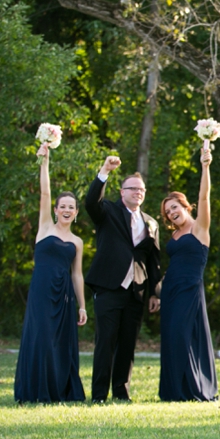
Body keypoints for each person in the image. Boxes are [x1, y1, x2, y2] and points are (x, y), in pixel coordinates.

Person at [85, 155, 162, 402]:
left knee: (127, 344)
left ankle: (121, 392)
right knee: (105, 342)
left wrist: (154, 292)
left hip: (136, 291)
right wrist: (104, 172)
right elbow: (90, 202)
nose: (138, 193)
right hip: (109, 286)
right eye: (133, 189)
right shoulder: (108, 211)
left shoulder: (151, 222)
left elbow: (154, 260)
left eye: (141, 190)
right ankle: (98, 395)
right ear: (122, 192)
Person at [14, 144, 87, 403]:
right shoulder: (44, 228)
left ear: (76, 212)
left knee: (60, 341)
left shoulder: (77, 242)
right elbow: (45, 192)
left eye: (72, 207)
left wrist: (82, 306)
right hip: (42, 291)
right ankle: (36, 390)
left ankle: (59, 389)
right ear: (56, 210)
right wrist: (45, 161)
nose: (67, 210)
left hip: (65, 294)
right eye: (62, 206)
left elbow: (77, 275)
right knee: (42, 337)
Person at [158, 147, 218, 402]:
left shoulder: (199, 228)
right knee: (171, 336)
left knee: (184, 335)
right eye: (167, 212)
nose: (171, 213)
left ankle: (193, 388)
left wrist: (205, 167)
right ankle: (173, 391)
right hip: (170, 290)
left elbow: (204, 198)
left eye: (174, 208)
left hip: (190, 289)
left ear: (184, 206)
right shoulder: (174, 235)